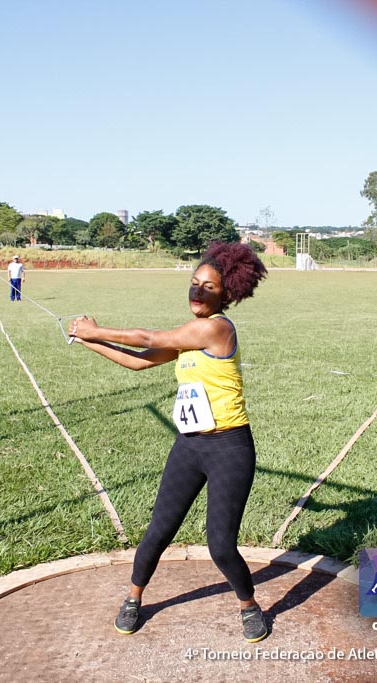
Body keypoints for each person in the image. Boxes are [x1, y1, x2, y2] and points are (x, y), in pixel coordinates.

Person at [68, 241, 269, 642]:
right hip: (189, 447)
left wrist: (95, 327)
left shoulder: (216, 328)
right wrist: (85, 339)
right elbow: (138, 359)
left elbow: (146, 335)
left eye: (208, 287)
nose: (197, 291)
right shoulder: (187, 340)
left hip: (229, 448)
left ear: (227, 293)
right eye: (194, 283)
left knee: (221, 545)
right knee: (159, 529)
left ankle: (248, 605)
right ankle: (133, 598)